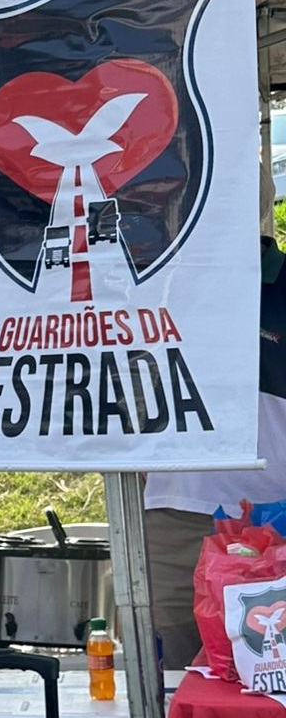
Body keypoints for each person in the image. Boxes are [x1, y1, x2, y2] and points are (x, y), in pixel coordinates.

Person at [143, 232, 286, 669]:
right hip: (171, 517)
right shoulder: (153, 280)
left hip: (272, 519)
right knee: (169, 680)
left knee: (268, 679)